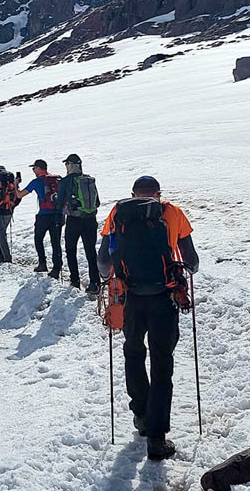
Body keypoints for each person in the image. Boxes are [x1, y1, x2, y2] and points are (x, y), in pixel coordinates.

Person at [98, 175, 199, 461]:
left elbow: (104, 261)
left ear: (133, 193)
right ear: (158, 193)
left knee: (133, 352)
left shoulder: (118, 212)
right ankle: (156, 437)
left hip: (129, 297)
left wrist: (113, 281)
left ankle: (141, 414)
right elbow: (191, 261)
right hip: (163, 297)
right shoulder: (173, 212)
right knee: (162, 361)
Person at [57, 154, 100, 293]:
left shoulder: (65, 181)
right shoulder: (89, 180)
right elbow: (97, 202)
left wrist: (55, 198)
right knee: (90, 251)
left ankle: (75, 280)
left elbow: (59, 201)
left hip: (74, 220)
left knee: (71, 249)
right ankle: (95, 283)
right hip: (90, 219)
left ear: (69, 165)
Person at [17, 159, 62, 275]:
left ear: (39, 168)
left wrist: (16, 184)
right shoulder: (57, 179)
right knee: (56, 242)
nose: (33, 171)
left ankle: (42, 263)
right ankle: (57, 268)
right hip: (58, 214)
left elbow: (19, 195)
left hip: (44, 215)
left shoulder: (36, 182)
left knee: (38, 239)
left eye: (34, 168)